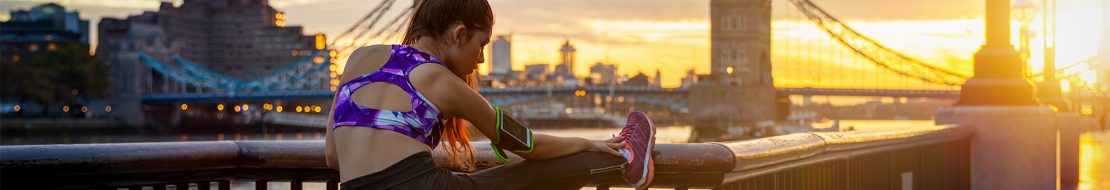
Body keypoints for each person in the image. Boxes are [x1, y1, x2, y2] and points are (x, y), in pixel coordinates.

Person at [324, 0, 657, 189]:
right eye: (480, 45)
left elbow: (332, 157)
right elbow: (527, 144)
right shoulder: (439, 79)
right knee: (540, 170)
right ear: (459, 34)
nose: (480, 60)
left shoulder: (358, 59)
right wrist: (590, 143)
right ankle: (626, 154)